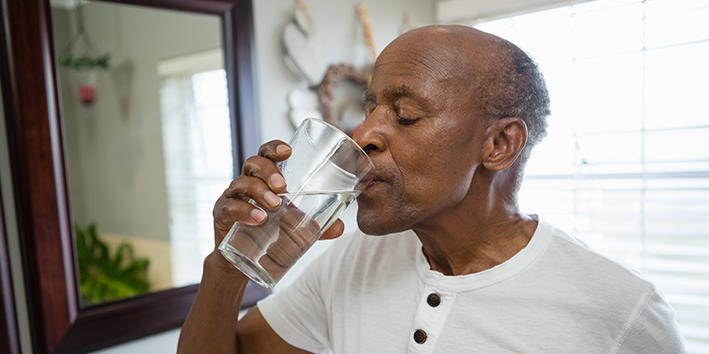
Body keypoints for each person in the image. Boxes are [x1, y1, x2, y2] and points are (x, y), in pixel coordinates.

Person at [178, 25, 687, 353]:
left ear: (499, 145)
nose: (363, 135)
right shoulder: (349, 265)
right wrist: (226, 266)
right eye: (370, 108)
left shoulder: (620, 313)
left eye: (404, 114)